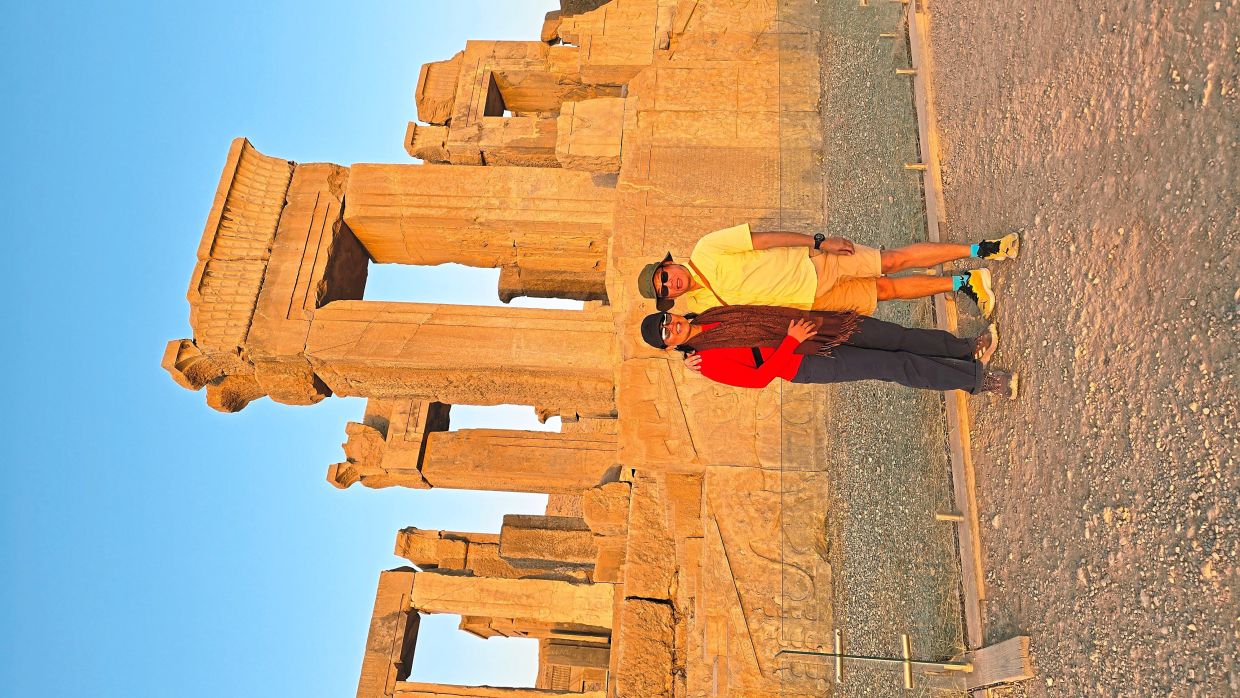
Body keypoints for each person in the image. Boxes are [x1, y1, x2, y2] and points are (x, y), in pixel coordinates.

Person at [636, 223, 1019, 317]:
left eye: (664, 276)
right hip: (812, 302)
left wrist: (818, 242)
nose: (670, 283)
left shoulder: (706, 248)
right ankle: (963, 282)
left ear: (668, 264)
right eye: (664, 290)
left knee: (890, 261)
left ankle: (981, 249)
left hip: (813, 264)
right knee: (886, 291)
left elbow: (765, 239)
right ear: (669, 298)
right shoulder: (700, 307)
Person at [638, 305, 1018, 398]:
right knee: (893, 365)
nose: (672, 326)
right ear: (669, 345)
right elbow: (758, 379)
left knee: (894, 336)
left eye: (666, 320)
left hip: (819, 327)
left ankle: (965, 349)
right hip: (806, 361)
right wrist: (791, 341)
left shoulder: (709, 315)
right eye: (666, 334)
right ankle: (978, 381)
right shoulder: (704, 360)